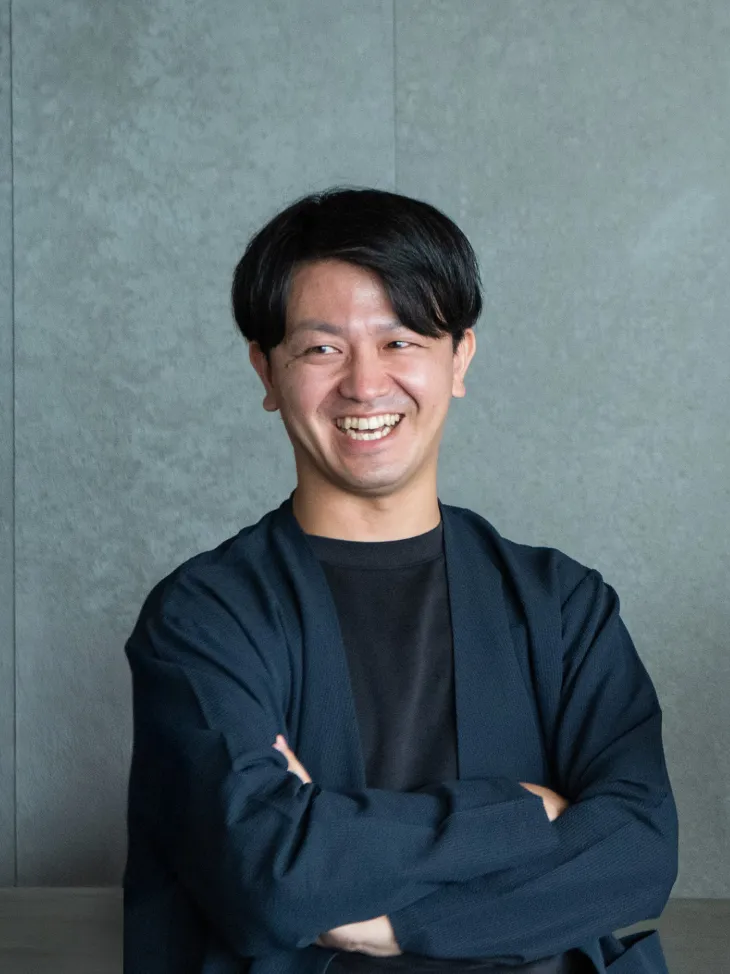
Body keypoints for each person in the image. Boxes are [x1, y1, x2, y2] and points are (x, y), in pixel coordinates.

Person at [123, 188, 676, 974]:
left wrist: (391, 923)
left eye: (401, 340)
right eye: (322, 350)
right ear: (267, 371)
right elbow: (272, 874)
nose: (365, 384)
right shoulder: (204, 617)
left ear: (460, 359)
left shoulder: (562, 604)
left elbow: (639, 852)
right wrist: (524, 812)